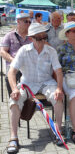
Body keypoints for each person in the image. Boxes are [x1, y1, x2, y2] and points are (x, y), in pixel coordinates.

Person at [6, 23, 65, 153]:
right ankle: (13, 138)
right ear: (31, 38)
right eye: (39, 38)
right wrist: (14, 89)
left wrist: (59, 89)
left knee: (58, 97)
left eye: (45, 37)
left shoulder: (51, 51)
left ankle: (58, 131)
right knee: (14, 101)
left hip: (46, 83)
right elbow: (11, 72)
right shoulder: (23, 50)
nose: (43, 41)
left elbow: (59, 71)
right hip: (27, 83)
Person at [0, 13, 32, 96]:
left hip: (29, 64)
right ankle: (14, 99)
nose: (28, 24)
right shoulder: (9, 35)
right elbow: (2, 51)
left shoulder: (33, 36)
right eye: (26, 21)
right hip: (13, 63)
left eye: (29, 22)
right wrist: (13, 60)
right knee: (8, 78)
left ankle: (29, 100)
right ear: (18, 21)